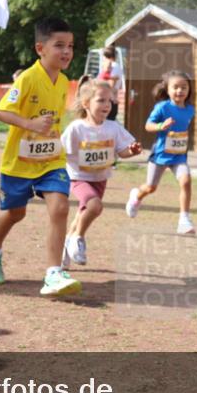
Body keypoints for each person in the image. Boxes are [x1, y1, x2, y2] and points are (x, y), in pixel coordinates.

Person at [0, 17, 80, 296]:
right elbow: (1, 111)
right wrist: (31, 125)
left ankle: (53, 273)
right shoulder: (27, 78)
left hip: (51, 160)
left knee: (60, 207)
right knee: (15, 213)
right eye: (59, 45)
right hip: (19, 162)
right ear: (40, 48)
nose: (66, 52)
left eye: (70, 46)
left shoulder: (63, 82)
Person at [61, 80, 141, 266]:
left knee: (83, 214)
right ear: (86, 103)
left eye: (109, 101)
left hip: (100, 179)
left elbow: (122, 151)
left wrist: (133, 150)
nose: (107, 105)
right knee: (95, 207)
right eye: (101, 100)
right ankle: (78, 238)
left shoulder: (113, 127)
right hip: (78, 178)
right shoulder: (76, 128)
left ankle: (66, 246)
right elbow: (61, 151)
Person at [125, 70, 197, 234]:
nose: (180, 91)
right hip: (160, 155)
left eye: (184, 87)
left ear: (189, 90)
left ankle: (184, 220)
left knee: (186, 181)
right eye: (176, 87)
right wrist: (161, 126)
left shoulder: (190, 109)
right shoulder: (162, 107)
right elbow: (148, 126)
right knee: (150, 187)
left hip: (179, 156)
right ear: (167, 89)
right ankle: (136, 196)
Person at [97, 46, 125, 122]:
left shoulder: (113, 65)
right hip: (110, 98)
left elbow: (111, 85)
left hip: (109, 99)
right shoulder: (114, 66)